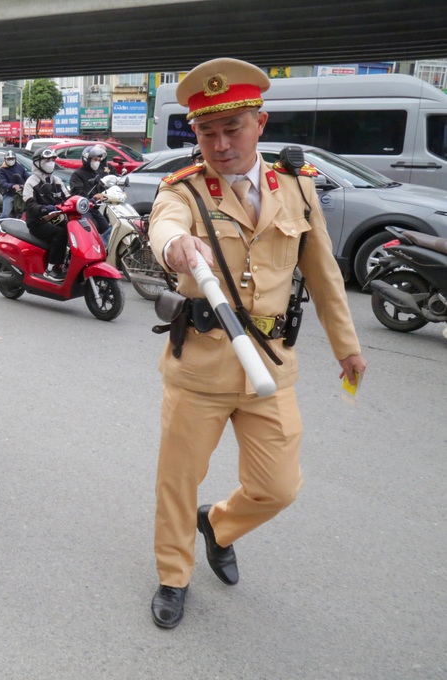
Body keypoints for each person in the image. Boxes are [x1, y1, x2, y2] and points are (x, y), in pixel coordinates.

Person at [146, 58, 368, 630]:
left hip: (270, 364)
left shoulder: (296, 189)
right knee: (178, 480)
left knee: (279, 487)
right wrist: (176, 249)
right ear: (194, 134)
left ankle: (219, 526)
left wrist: (347, 345)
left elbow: (322, 275)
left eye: (233, 128)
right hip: (199, 366)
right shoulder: (185, 191)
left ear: (259, 123)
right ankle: (174, 575)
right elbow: (163, 228)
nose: (220, 144)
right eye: (206, 132)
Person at [22, 148, 69, 281]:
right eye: (47, 160)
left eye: (53, 160)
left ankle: (67, 261)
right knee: (60, 234)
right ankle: (51, 268)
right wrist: (42, 208)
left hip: (57, 218)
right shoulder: (31, 182)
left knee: (74, 228)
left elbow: (69, 198)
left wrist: (85, 202)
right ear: (37, 162)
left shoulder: (56, 181)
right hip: (38, 221)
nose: (51, 163)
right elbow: (29, 204)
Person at [69, 145, 112, 240]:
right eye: (95, 159)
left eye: (99, 160)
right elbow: (77, 192)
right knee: (91, 231)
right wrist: (94, 197)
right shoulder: (78, 174)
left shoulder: (95, 173)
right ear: (87, 159)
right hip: (83, 210)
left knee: (108, 230)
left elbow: (101, 187)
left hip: (94, 209)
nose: (97, 162)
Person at [0, 150, 29, 220]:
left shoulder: (20, 167)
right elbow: (2, 182)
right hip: (9, 194)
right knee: (5, 215)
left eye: (12, 159)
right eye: (9, 159)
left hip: (22, 193)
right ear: (5, 159)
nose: (11, 160)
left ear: (15, 159)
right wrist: (12, 186)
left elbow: (27, 177)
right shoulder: (2, 169)